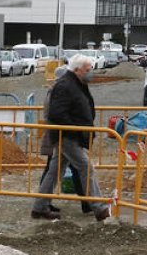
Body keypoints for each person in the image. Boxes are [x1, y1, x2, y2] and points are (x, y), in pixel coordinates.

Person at [32, 54, 110, 222]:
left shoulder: (77, 84)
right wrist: (75, 128)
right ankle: (99, 208)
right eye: (88, 70)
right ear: (77, 70)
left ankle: (39, 207)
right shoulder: (66, 86)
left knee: (55, 171)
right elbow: (56, 113)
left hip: (70, 135)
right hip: (68, 135)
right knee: (86, 168)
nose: (91, 73)